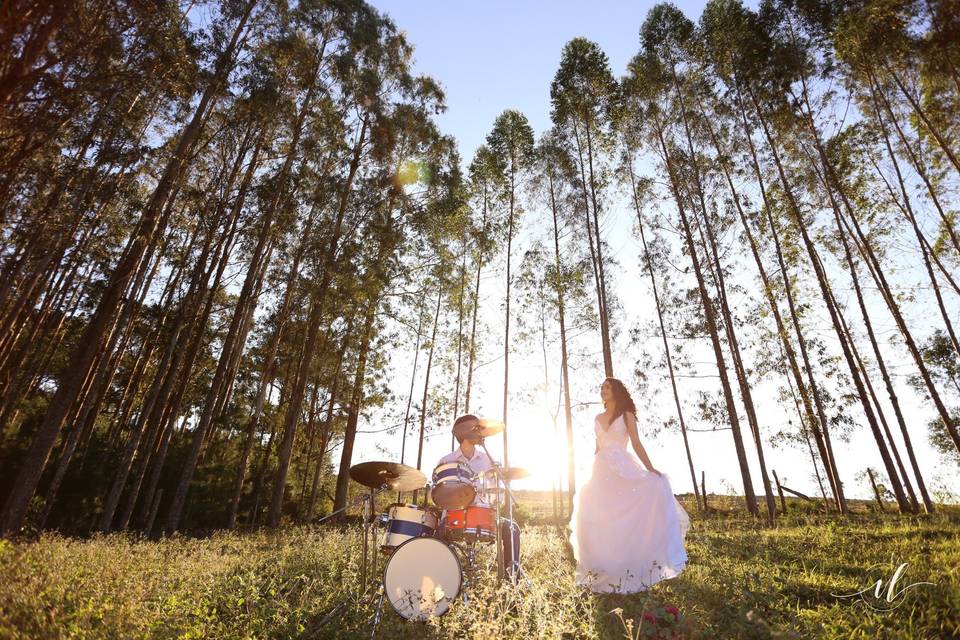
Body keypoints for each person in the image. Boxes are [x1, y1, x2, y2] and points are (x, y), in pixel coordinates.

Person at [569, 377, 690, 593]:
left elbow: (635, 443)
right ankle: (600, 567)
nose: (603, 390)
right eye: (601, 387)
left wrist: (651, 469)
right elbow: (598, 448)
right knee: (591, 513)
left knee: (624, 515)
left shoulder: (627, 415)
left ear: (616, 391)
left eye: (607, 387)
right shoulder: (597, 417)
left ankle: (629, 565)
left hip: (622, 467)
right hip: (600, 469)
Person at [436, 414, 520, 576]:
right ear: (464, 433)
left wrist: (494, 498)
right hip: (454, 516)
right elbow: (439, 496)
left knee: (512, 528)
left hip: (483, 516)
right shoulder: (446, 461)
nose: (482, 434)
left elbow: (497, 494)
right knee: (437, 534)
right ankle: (442, 582)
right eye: (477, 429)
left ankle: (512, 578)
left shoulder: (488, 460)